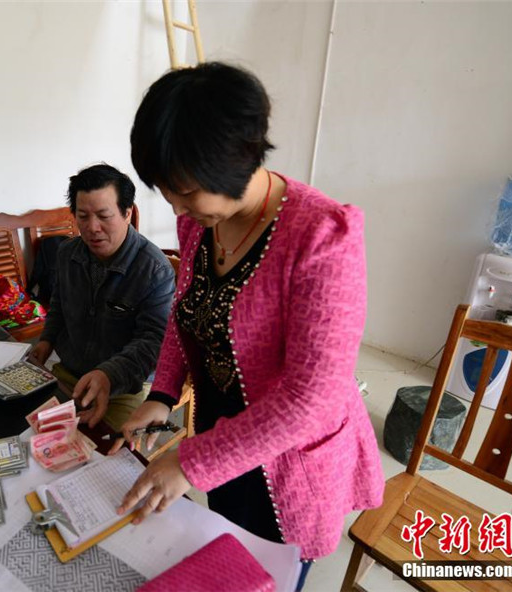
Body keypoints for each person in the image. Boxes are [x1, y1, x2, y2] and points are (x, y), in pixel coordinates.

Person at [111, 62, 385, 589]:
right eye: (166, 191)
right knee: (228, 564)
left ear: (237, 160)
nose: (176, 207)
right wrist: (162, 394)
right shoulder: (200, 223)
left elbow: (312, 400)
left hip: (289, 461)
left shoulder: (322, 236)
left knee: (272, 575)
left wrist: (190, 464)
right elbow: (187, 311)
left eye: (186, 190)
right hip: (219, 438)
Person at [28, 164, 175, 431]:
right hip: (70, 372)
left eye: (104, 216)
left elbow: (154, 341)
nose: (92, 227)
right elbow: (59, 304)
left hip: (124, 386)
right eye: (83, 216)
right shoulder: (67, 253)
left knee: (103, 447)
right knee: (28, 429)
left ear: (127, 213)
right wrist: (46, 340)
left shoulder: (154, 269)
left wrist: (109, 374)